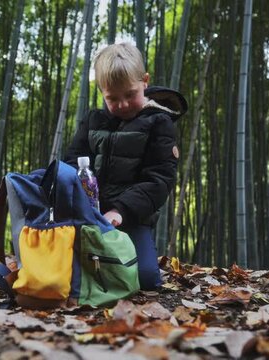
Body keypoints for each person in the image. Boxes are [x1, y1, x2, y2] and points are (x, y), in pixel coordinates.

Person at [65, 43, 188, 290]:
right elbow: (72, 163)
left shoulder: (159, 122)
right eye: (112, 98)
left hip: (131, 218)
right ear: (101, 92)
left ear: (144, 81)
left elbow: (159, 180)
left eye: (130, 95)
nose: (121, 105)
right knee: (61, 267)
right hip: (88, 215)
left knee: (145, 278)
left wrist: (121, 211)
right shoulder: (93, 121)